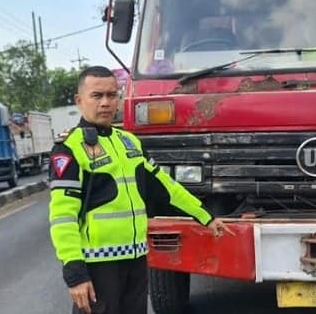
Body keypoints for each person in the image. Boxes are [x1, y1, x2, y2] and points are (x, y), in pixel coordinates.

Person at [48, 66, 231, 314]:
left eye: (112, 95)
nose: (105, 103)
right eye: (97, 96)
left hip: (135, 258)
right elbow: (63, 216)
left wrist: (205, 216)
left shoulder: (130, 142)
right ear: (79, 101)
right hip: (97, 265)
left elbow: (166, 188)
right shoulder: (69, 148)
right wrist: (74, 272)